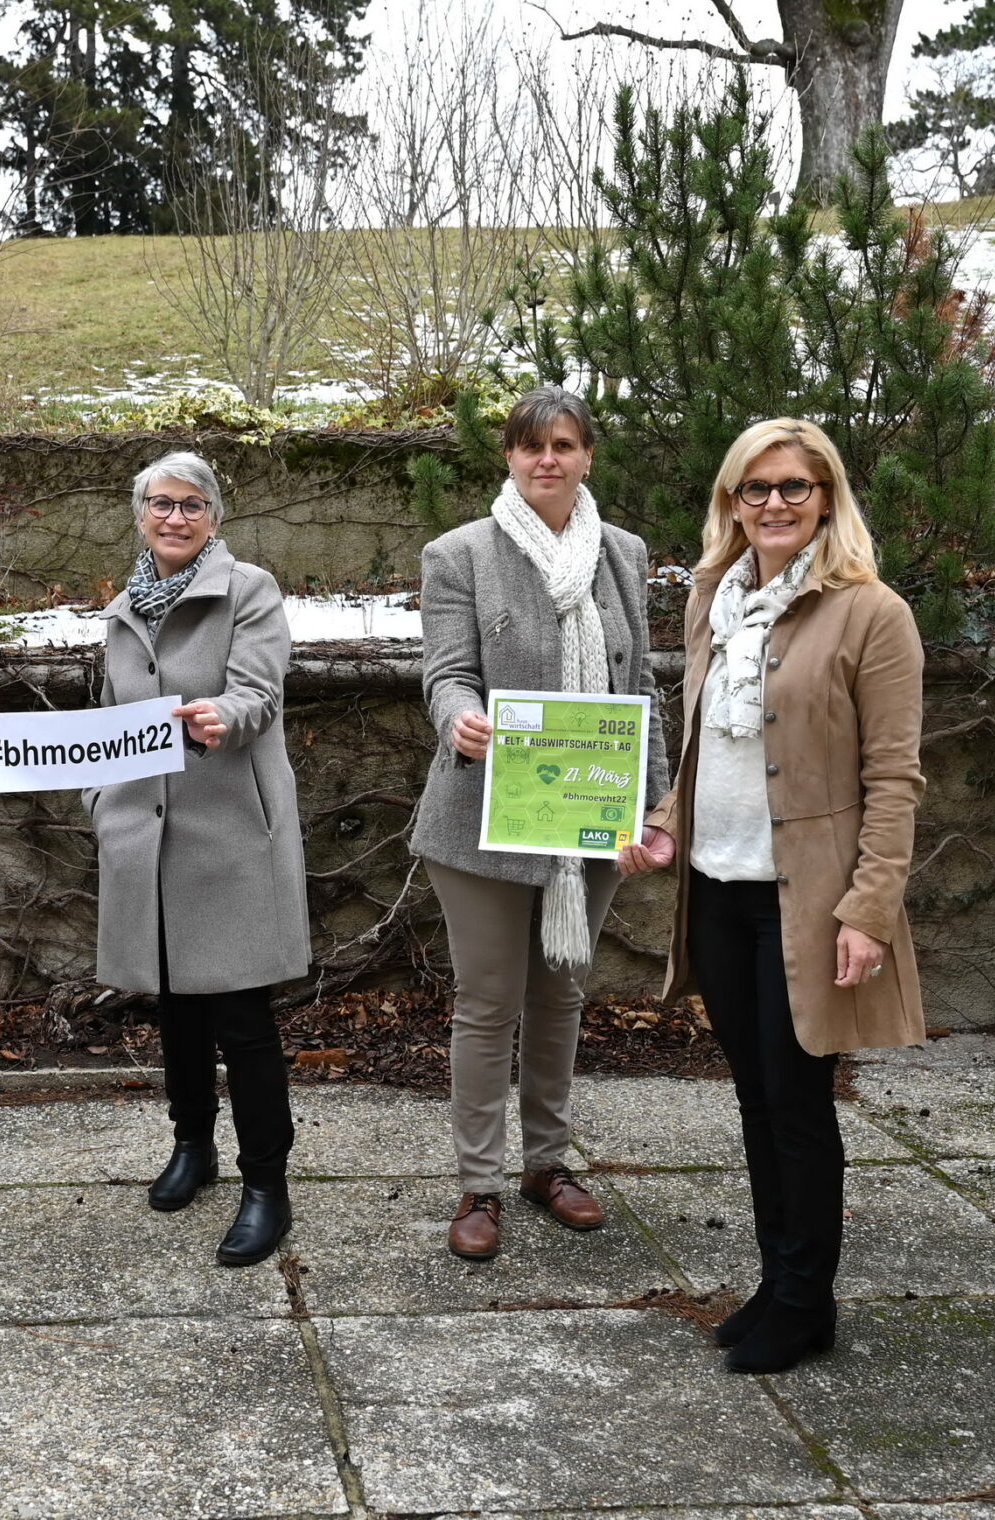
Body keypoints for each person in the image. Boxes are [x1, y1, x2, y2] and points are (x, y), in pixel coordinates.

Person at [625, 418, 927, 1375]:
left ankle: (806, 1301)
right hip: (715, 888)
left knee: (798, 1104)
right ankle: (778, 1280)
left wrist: (868, 909)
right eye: (754, 489)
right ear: (731, 503)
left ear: (827, 497)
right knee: (756, 1098)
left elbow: (896, 778)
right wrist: (669, 817)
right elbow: (707, 738)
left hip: (806, 900)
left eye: (794, 487)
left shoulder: (872, 613)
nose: (774, 505)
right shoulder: (715, 599)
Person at [413, 386, 668, 1263]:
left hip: (589, 816)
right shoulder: (460, 555)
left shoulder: (624, 555)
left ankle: (547, 1165)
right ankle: (479, 1182)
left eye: (563, 444)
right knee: (487, 1005)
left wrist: (656, 806)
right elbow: (445, 672)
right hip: (483, 818)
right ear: (509, 458)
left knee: (562, 993)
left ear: (588, 455)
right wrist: (459, 719)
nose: (547, 460)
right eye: (530, 446)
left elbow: (644, 692)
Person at [87, 451, 309, 1267]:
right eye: (160, 504)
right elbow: (108, 721)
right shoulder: (120, 610)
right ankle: (193, 1146)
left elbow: (262, 690)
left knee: (243, 1021)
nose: (175, 518)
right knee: (174, 1007)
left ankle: (266, 1184)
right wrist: (100, 804)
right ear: (140, 513)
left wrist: (224, 714)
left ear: (214, 516)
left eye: (191, 505)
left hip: (230, 837)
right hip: (147, 835)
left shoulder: (248, 589)